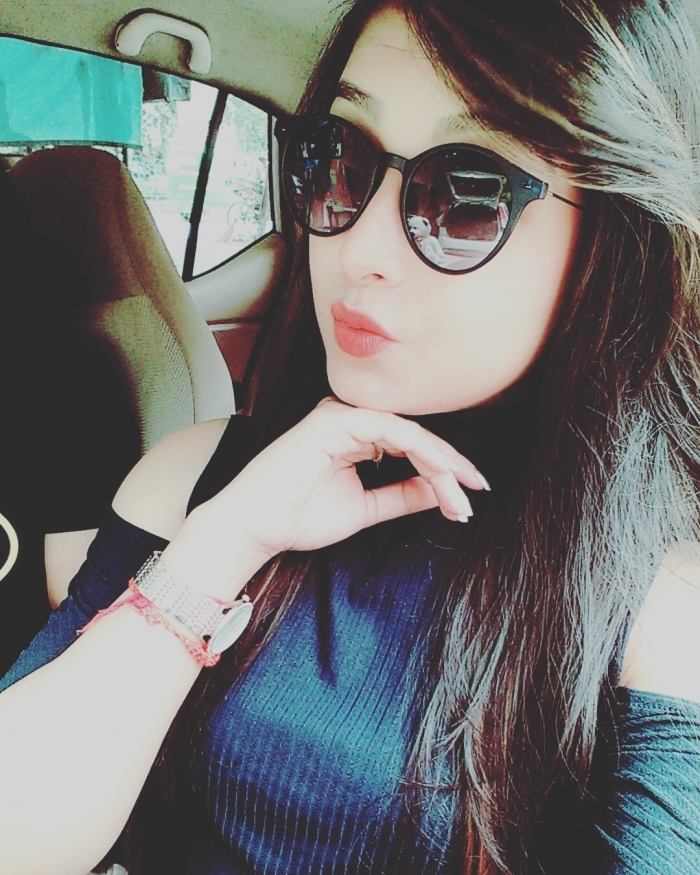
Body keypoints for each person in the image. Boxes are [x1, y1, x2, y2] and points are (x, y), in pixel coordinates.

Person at [1, 0, 700, 873]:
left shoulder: (663, 609)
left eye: (468, 194)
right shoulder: (191, 475)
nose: (361, 244)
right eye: (343, 160)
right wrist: (221, 544)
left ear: (613, 242)